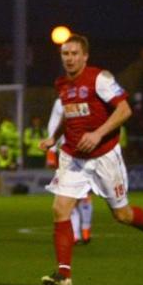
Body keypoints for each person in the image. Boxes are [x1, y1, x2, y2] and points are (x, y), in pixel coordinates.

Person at [39, 34, 143, 285]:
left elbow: (124, 110)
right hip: (74, 157)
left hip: (104, 156)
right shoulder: (62, 84)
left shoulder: (100, 78)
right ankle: (64, 275)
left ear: (85, 56)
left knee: (122, 215)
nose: (69, 58)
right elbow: (69, 116)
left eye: (74, 53)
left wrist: (98, 134)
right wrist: (52, 139)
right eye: (65, 54)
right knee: (59, 209)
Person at [46, 98, 93, 245]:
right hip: (68, 154)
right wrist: (51, 151)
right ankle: (76, 234)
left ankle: (85, 230)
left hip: (88, 152)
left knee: (84, 195)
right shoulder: (61, 101)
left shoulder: (93, 98)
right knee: (66, 195)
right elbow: (54, 123)